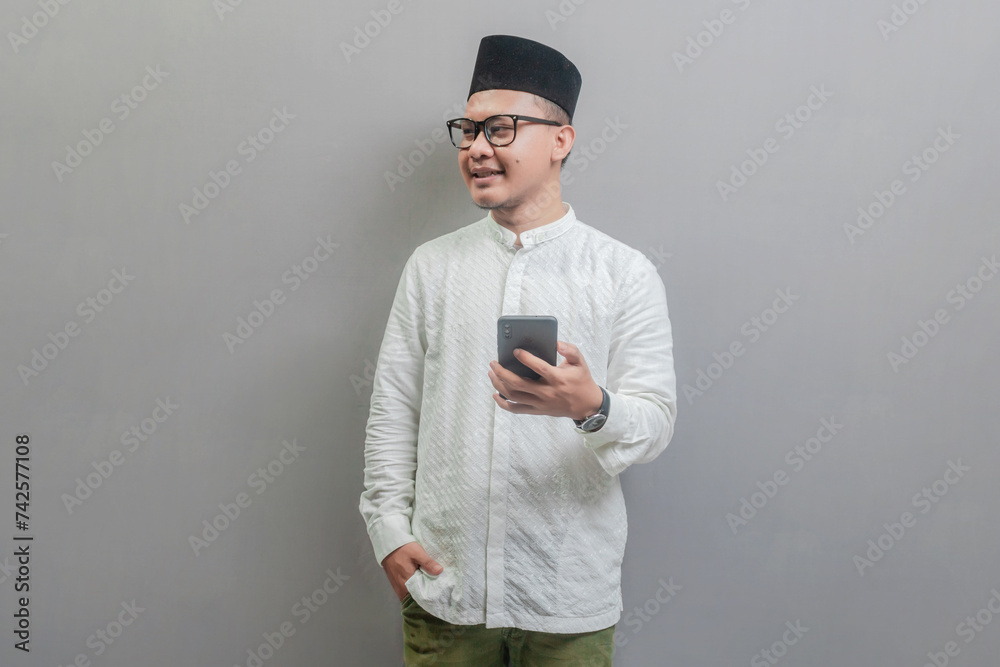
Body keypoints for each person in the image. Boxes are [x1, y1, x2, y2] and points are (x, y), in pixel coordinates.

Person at [359, 34, 677, 666]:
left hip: (566, 597)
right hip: (444, 589)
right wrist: (388, 532)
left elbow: (655, 423)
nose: (477, 148)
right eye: (468, 130)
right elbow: (395, 410)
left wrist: (591, 405)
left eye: (500, 129)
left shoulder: (622, 272)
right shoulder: (433, 267)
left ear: (561, 141)